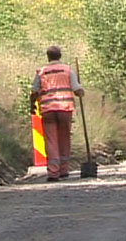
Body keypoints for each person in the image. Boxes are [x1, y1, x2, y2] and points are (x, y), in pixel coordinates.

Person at [30, 46, 85, 182]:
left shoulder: (41, 72)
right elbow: (77, 89)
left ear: (48, 57)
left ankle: (53, 172)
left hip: (48, 110)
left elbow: (35, 91)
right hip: (65, 108)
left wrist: (32, 105)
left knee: (51, 140)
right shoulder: (67, 70)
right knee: (64, 137)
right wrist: (80, 93)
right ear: (60, 56)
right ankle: (64, 170)